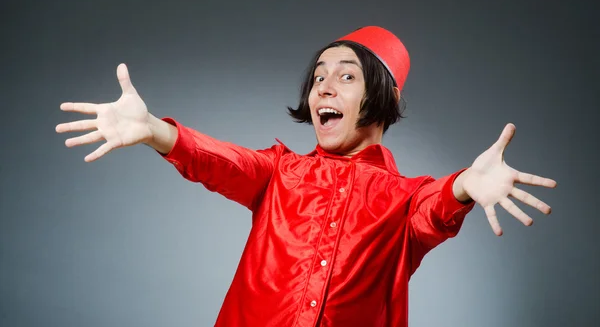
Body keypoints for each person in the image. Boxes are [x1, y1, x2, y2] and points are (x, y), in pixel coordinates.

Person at [56, 26, 556, 327]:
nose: (324, 88)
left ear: (380, 97)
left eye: (345, 75)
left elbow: (435, 209)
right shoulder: (279, 172)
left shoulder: (405, 200)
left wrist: (467, 183)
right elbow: (219, 160)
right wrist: (152, 131)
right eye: (318, 77)